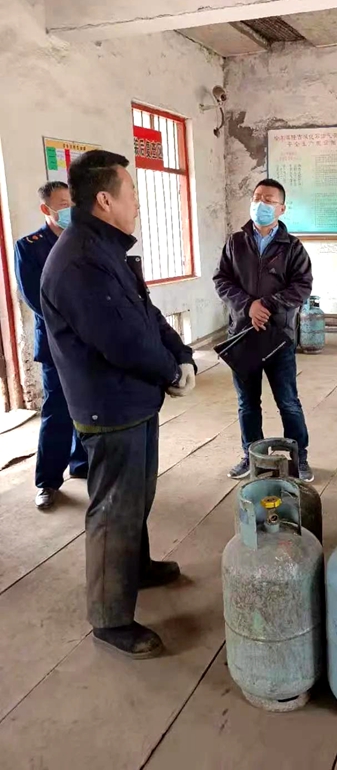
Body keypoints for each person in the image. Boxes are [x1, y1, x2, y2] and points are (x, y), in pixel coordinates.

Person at [41, 150, 197, 659]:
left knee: (136, 498)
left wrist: (181, 354)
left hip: (134, 401)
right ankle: (110, 619)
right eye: (131, 194)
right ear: (105, 200)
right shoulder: (80, 261)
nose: (138, 204)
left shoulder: (106, 248)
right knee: (114, 510)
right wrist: (169, 371)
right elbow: (123, 342)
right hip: (108, 407)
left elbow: (146, 314)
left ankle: (137, 567)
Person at [214, 179, 314, 482]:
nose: (261, 204)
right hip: (242, 335)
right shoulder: (235, 242)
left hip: (278, 337)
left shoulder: (292, 247)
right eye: (257, 197)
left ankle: (299, 457)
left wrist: (266, 305)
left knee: (288, 402)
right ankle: (251, 455)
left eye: (269, 200)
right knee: (247, 403)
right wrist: (248, 306)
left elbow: (302, 287)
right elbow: (222, 280)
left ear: (281, 209)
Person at [14, 182, 88, 509]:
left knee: (86, 405)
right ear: (46, 209)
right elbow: (34, 297)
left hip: (88, 340)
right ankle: (47, 481)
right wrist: (71, 322)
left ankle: (82, 463)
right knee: (57, 410)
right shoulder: (29, 247)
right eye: (63, 203)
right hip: (56, 342)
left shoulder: (83, 241)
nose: (70, 208)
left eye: (73, 202)